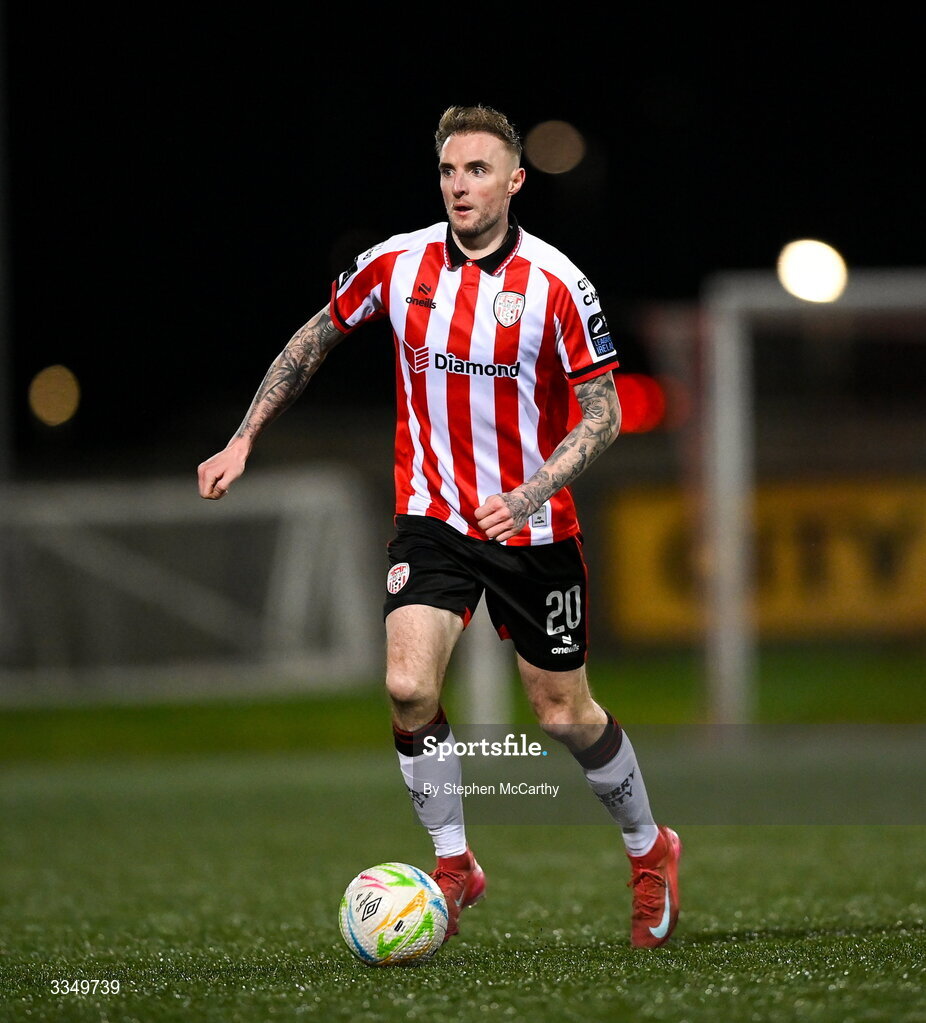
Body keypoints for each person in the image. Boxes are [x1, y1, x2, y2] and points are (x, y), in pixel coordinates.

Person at [197, 104, 680, 949]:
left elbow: (602, 414)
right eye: (450, 171)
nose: (461, 186)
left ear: (514, 182)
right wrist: (244, 436)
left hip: (532, 530)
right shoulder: (398, 262)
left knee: (563, 714)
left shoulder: (560, 285)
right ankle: (453, 861)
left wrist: (530, 494)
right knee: (407, 686)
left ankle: (650, 849)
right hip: (432, 519)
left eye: (479, 171)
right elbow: (315, 336)